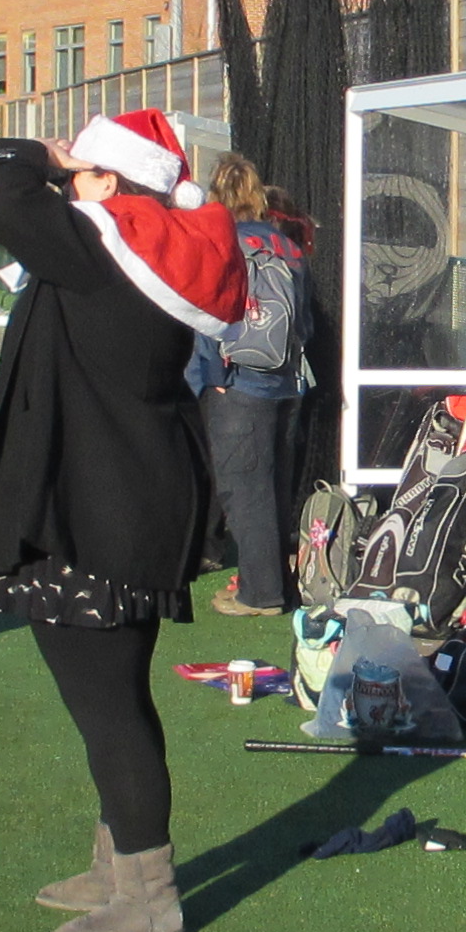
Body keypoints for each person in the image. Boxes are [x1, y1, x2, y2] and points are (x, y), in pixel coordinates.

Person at [0, 108, 247, 932]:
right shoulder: (125, 246)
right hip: (117, 497)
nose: (67, 185)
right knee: (109, 699)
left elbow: (9, 201)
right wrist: (75, 172)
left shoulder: (107, 246)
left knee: (109, 707)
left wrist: (35, 157)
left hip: (104, 507)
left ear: (114, 187)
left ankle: (149, 894)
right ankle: (116, 863)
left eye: (84, 174)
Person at [189, 153, 315, 616]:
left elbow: (209, 315)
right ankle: (279, 582)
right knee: (277, 485)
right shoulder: (286, 244)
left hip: (240, 379)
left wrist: (215, 376)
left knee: (243, 488)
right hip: (286, 378)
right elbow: (304, 319)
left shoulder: (219, 241)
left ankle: (259, 594)